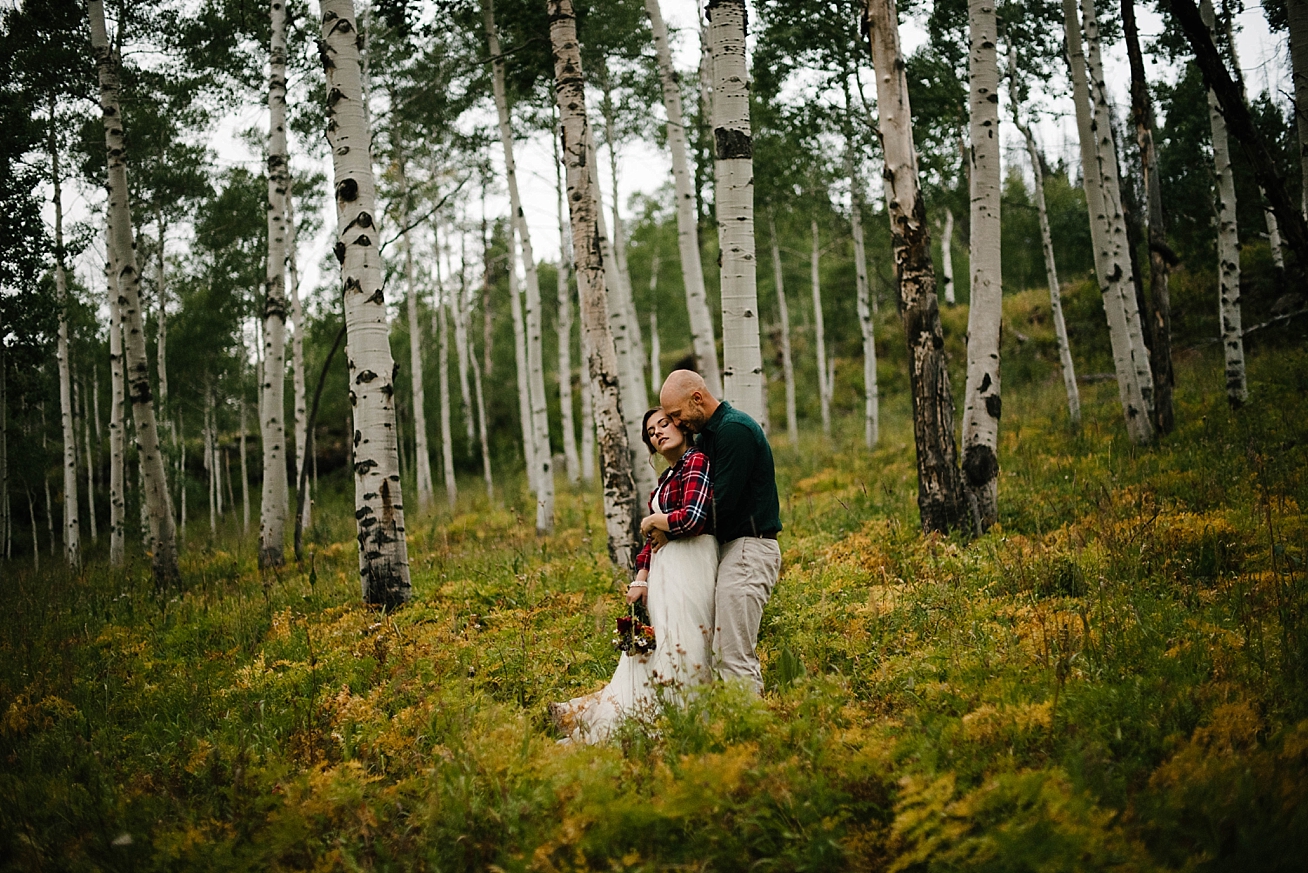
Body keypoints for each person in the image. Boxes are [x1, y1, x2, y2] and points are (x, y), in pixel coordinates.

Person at [548, 407, 719, 743]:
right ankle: (629, 714)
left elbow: (695, 518)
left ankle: (685, 716)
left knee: (685, 641)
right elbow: (649, 544)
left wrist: (656, 522)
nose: (657, 433)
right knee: (657, 643)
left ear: (682, 427)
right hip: (664, 570)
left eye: (664, 424)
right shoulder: (666, 478)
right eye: (651, 432)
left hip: (692, 563)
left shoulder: (697, 461)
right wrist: (641, 579)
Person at [659, 370, 782, 695]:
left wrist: (669, 526)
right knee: (717, 652)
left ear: (697, 399)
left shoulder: (734, 431)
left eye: (676, 415)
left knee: (733, 655)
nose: (676, 423)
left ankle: (753, 736)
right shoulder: (709, 438)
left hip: (748, 549)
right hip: (730, 552)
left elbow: (719, 507)